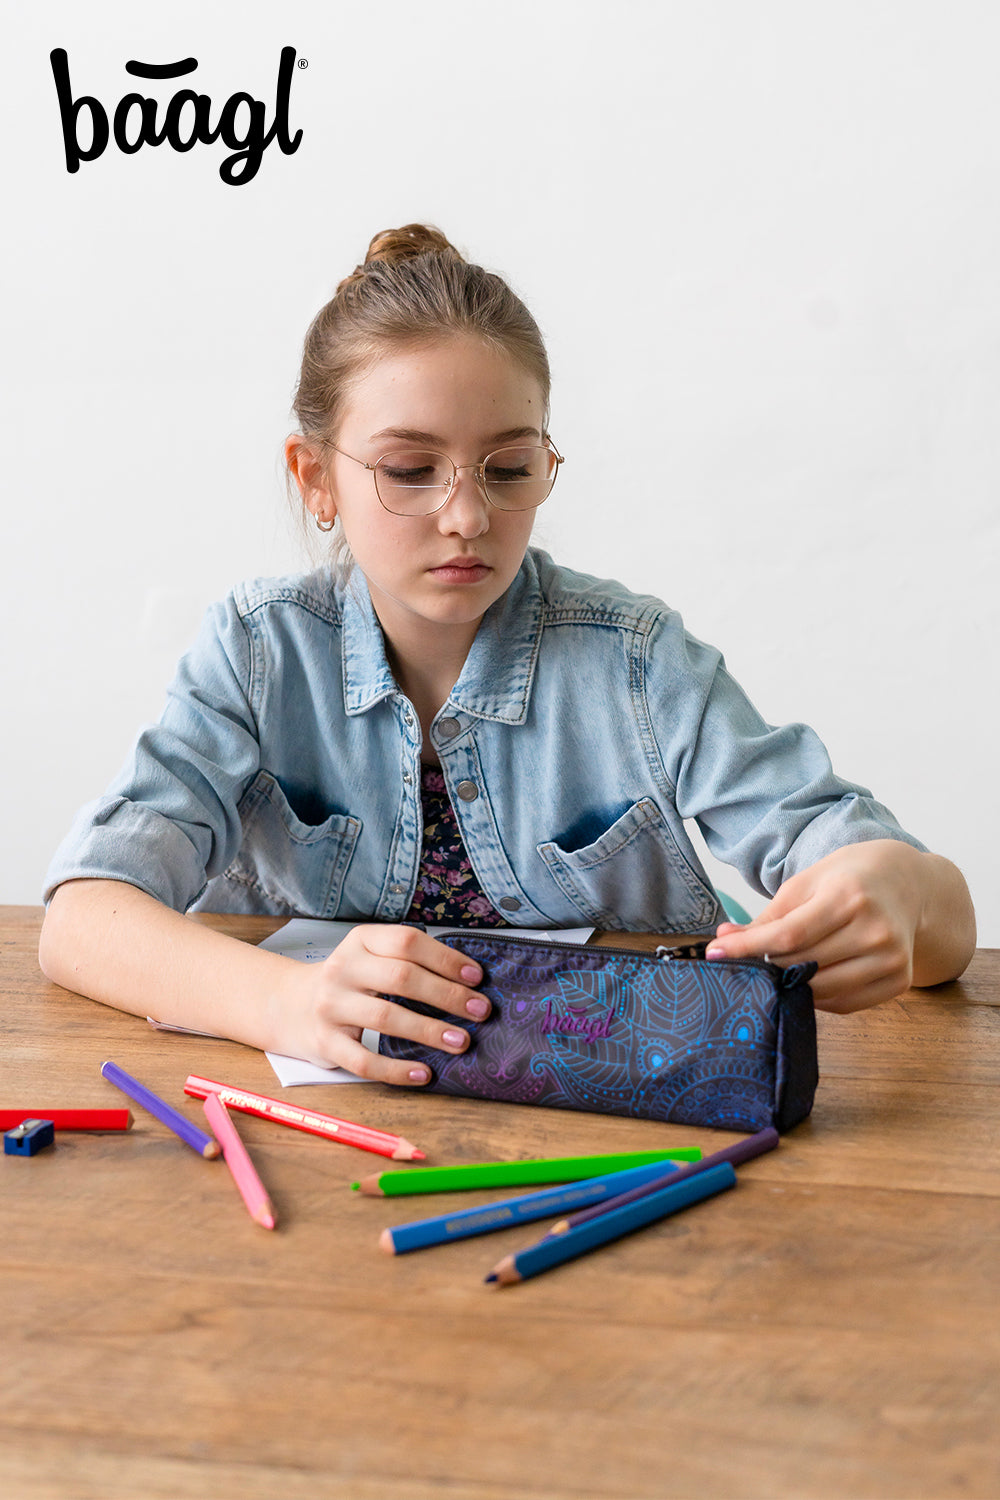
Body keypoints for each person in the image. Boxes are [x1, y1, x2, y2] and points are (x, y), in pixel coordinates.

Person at [39, 224, 976, 1084]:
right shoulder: (258, 651)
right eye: (410, 469)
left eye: (510, 466)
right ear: (315, 476)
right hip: (329, 1132)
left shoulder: (639, 664)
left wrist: (895, 892)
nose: (467, 516)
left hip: (619, 1123)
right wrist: (284, 1001)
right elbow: (82, 921)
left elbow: (942, 928)